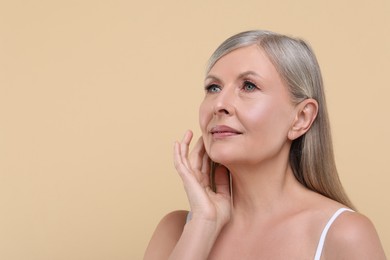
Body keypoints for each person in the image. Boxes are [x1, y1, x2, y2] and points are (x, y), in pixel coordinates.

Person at [144, 30, 386, 259]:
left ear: (301, 118)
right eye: (213, 87)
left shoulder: (344, 234)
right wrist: (203, 224)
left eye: (249, 86)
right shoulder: (175, 232)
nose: (219, 104)